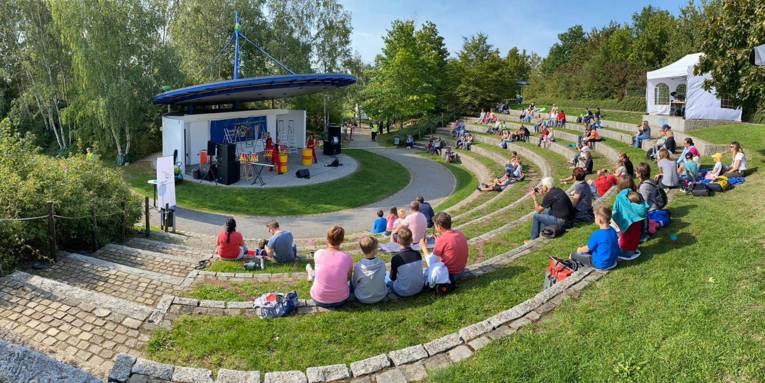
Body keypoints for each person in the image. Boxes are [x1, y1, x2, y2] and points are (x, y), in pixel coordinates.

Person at [307, 226, 353, 308]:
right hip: (341, 299)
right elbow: (348, 278)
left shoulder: (318, 253)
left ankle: (309, 272)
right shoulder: (347, 257)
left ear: (327, 238)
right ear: (342, 240)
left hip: (319, 298)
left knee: (313, 273)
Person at [421, 212, 468, 284]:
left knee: (423, 271)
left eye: (435, 226)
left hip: (449, 276)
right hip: (461, 270)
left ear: (439, 227)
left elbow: (431, 264)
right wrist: (438, 243)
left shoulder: (443, 240)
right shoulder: (459, 233)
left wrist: (424, 247)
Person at [569, 206, 619, 270]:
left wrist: (580, 249)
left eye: (595, 217)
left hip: (601, 264)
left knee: (574, 255)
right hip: (612, 261)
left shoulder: (597, 234)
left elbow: (587, 249)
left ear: (599, 220)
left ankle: (572, 267)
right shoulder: (613, 230)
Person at [611, 176, 647, 260]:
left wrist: (615, 221)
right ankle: (633, 249)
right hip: (637, 220)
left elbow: (616, 211)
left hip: (626, 221)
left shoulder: (620, 197)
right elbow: (643, 206)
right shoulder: (637, 194)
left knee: (625, 238)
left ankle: (627, 252)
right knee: (635, 235)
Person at [387, 227, 424, 297]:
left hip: (403, 292)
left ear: (397, 241)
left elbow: (392, 277)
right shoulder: (417, 254)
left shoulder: (396, 258)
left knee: (388, 282)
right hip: (419, 288)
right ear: (411, 240)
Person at [352, 235, 387, 304]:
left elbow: (354, 283)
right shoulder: (382, 263)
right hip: (381, 295)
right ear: (375, 249)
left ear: (362, 250)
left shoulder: (358, 266)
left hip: (362, 298)